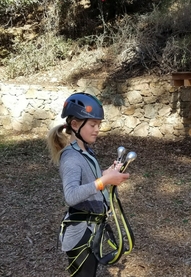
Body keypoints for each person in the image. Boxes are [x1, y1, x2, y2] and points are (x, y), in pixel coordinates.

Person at [47, 92, 130, 277]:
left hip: (90, 230)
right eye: (92, 125)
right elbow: (71, 195)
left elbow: (90, 182)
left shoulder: (84, 151)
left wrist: (106, 174)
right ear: (75, 125)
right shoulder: (71, 157)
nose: (97, 129)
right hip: (80, 235)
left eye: (99, 125)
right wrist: (104, 181)